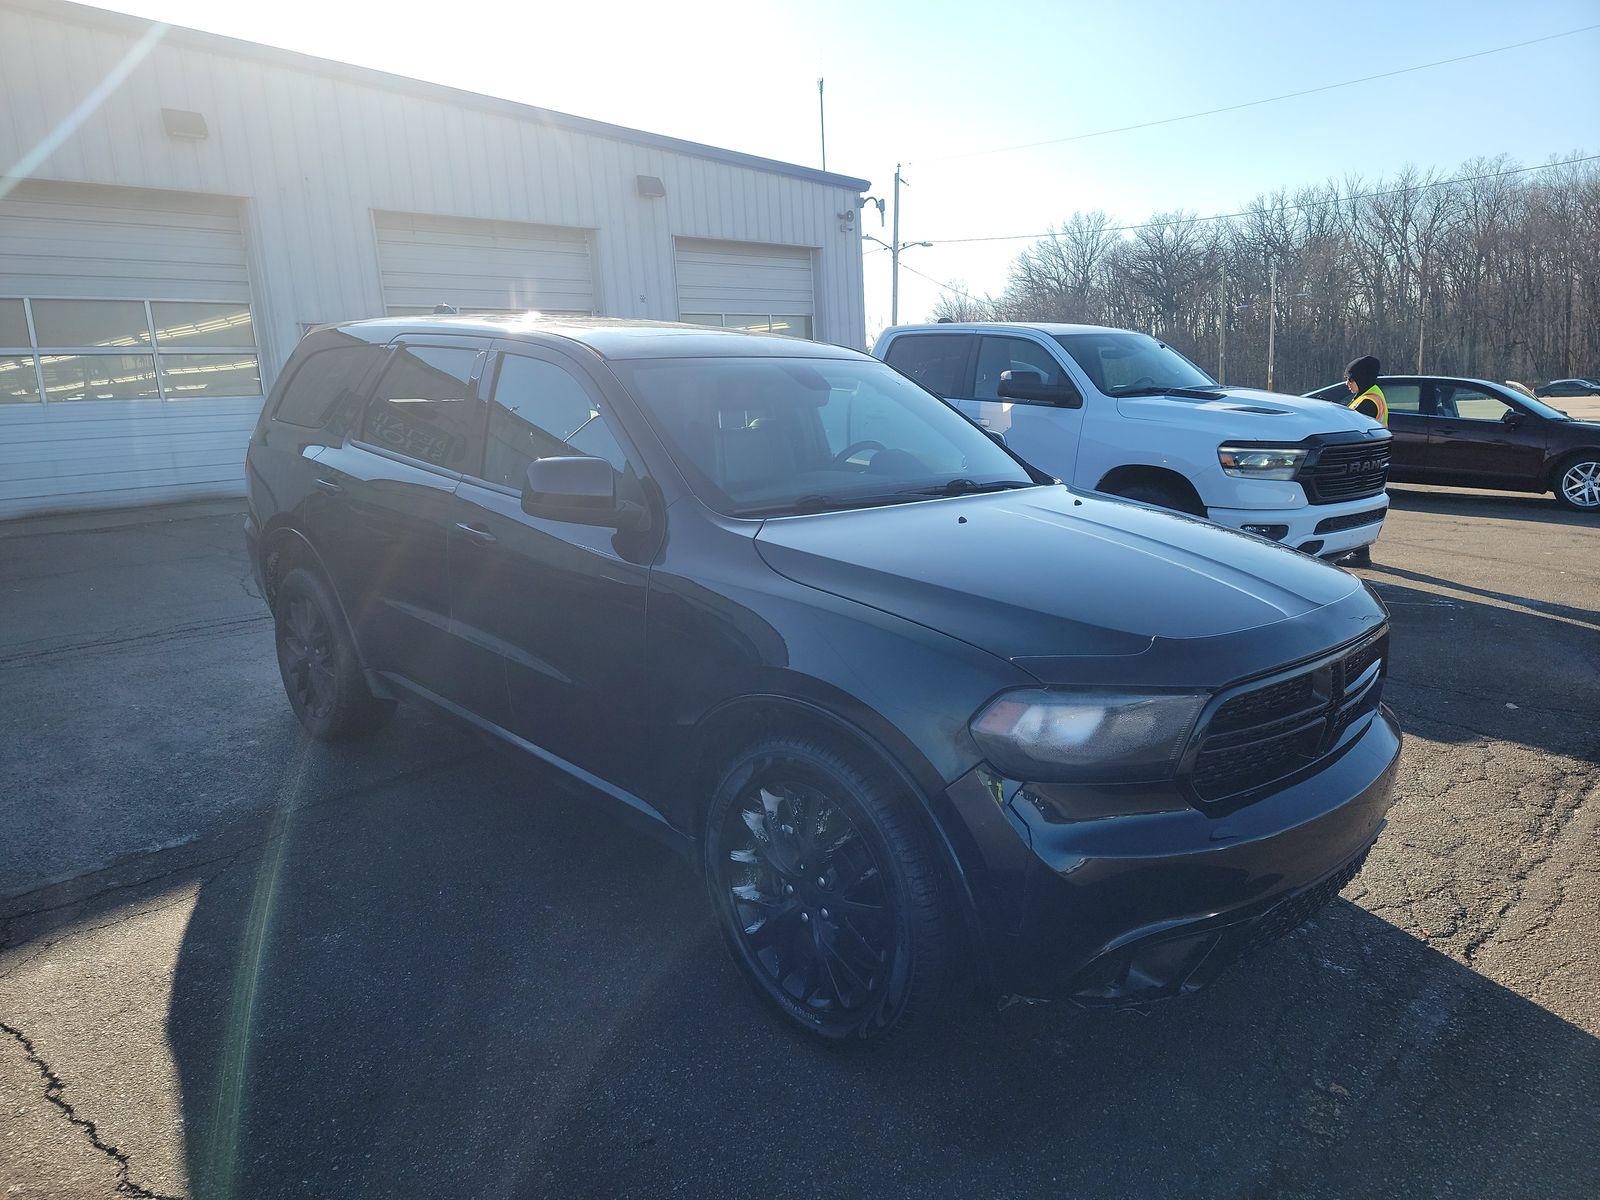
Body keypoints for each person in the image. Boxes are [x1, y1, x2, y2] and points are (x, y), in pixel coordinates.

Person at [1344, 355, 1388, 424]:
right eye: (1346, 378)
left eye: (1350, 379)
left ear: (1361, 380)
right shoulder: (1371, 393)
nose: (1347, 383)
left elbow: (1348, 425)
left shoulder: (1368, 402)